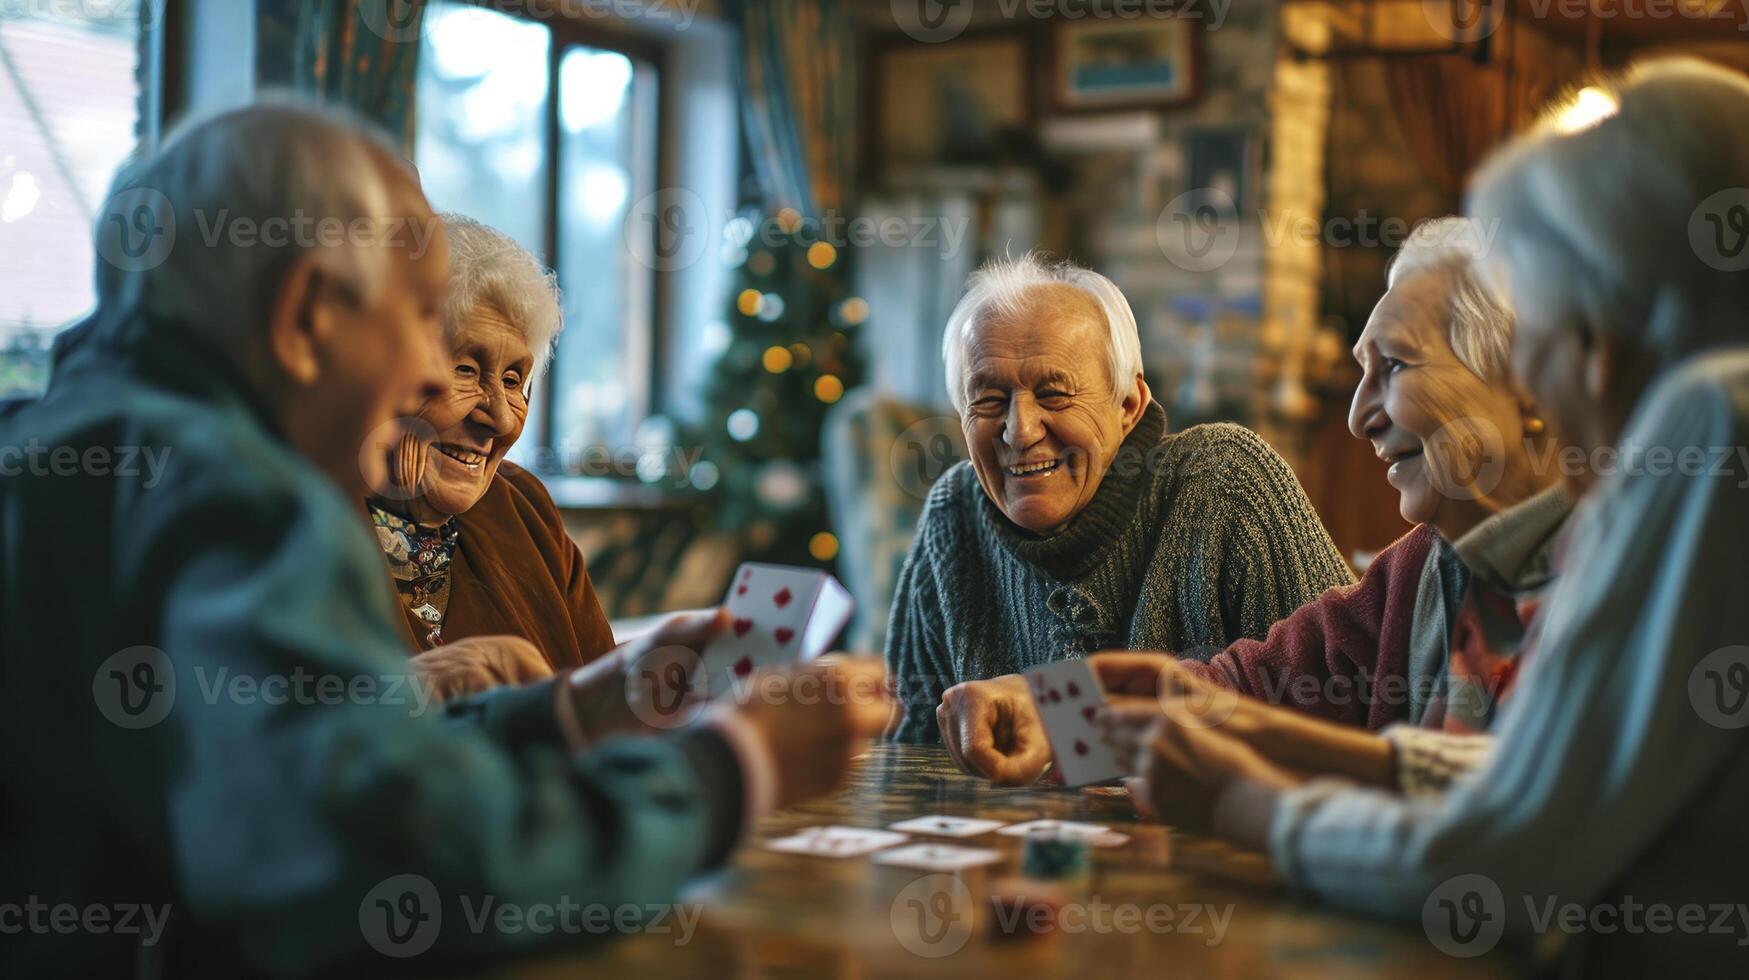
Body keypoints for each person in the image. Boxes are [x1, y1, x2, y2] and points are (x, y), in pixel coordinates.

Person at [0, 101, 890, 977]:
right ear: (306, 315)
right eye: (420, 320)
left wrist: (569, 709)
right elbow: (404, 860)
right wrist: (732, 764)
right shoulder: (240, 494)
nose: (432, 373)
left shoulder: (64, 442)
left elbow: (292, 762)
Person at [1106, 58, 1749, 974]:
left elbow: (1510, 860)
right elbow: (1549, 782)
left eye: (1540, 336)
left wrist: (1251, 805)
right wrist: (1246, 732)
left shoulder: (1711, 421)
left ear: (1591, 344)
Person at [938, 219, 1571, 787]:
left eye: (1396, 367)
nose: (1357, 417)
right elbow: (1254, 686)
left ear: (1529, 383)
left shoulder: (1627, 571)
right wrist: (1048, 709)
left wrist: (1249, 805)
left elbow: (1518, 816)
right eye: (1361, 372)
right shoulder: (1422, 568)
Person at [885, 253, 1355, 747]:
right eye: (988, 401)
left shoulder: (1226, 480)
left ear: (1128, 405)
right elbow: (906, 753)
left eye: (1053, 394)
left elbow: (1343, 704)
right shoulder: (952, 515)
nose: (1020, 431)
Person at [367, 213, 613, 678]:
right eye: (465, 369)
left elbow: (604, 697)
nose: (499, 417)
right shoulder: (309, 516)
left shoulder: (525, 508)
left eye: (513, 379)